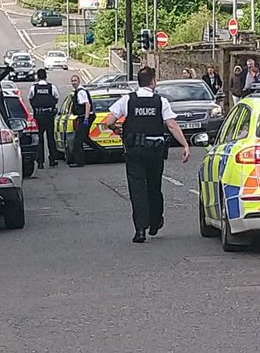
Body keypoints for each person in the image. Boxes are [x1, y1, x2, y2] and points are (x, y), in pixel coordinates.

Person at [102, 66, 190, 243]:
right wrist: (185, 145)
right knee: (154, 186)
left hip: (134, 150)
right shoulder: (160, 101)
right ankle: (155, 222)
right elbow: (171, 125)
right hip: (155, 150)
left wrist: (116, 129)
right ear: (153, 82)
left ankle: (140, 229)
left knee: (137, 189)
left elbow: (109, 121)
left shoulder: (127, 99)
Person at [28, 68, 59, 168]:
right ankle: (52, 159)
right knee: (51, 138)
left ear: (37, 76)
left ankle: (40, 162)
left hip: (39, 115)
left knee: (39, 139)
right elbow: (56, 98)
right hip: (49, 115)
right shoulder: (51, 87)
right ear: (46, 76)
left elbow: (30, 98)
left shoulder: (34, 88)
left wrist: (36, 108)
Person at [69, 74, 100, 167]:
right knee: (85, 138)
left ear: (79, 81)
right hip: (83, 117)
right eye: (72, 81)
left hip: (84, 117)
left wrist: (86, 119)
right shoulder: (78, 91)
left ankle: (79, 162)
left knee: (77, 141)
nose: (74, 83)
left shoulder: (81, 92)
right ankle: (104, 154)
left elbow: (87, 105)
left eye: (75, 81)